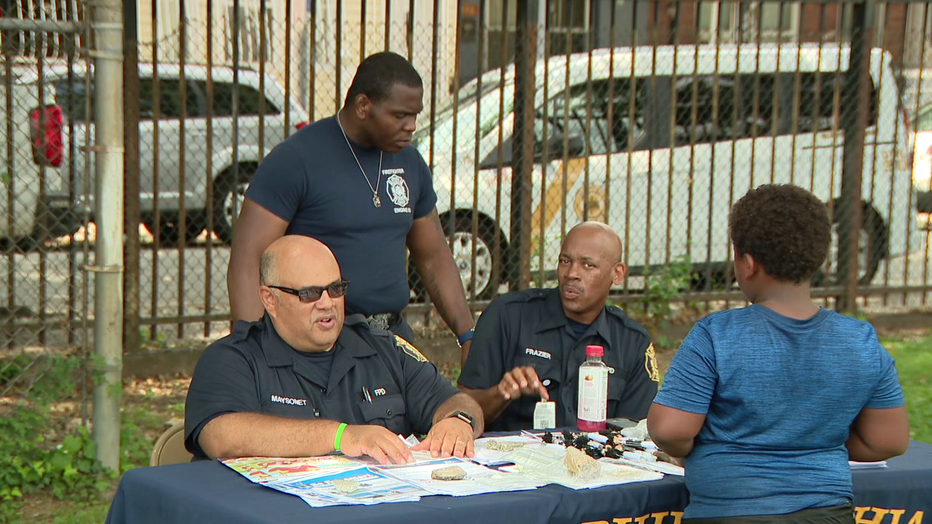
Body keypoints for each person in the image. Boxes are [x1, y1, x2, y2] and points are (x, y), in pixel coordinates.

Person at [647, 185, 910, 522]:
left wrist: (695, 448)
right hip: (828, 512)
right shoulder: (860, 341)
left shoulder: (716, 335)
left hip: (729, 511)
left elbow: (670, 430)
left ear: (749, 264)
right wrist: (816, 443)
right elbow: (889, 440)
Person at [227, 51, 475, 352]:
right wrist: (253, 351)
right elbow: (247, 258)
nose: (411, 125)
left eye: (415, 115)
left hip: (393, 339)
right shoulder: (297, 159)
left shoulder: (410, 163)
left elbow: (434, 255)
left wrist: (467, 334)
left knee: (446, 401)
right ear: (363, 106)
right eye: (399, 115)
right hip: (320, 343)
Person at [186, 235, 484, 464]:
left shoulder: (383, 348)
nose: (327, 303)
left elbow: (461, 403)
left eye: (336, 289)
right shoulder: (232, 359)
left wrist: (459, 422)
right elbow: (222, 436)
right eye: (310, 293)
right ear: (270, 299)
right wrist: (341, 436)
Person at [457, 221, 659, 432]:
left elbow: (637, 433)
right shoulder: (508, 317)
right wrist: (502, 393)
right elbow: (461, 410)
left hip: (596, 462)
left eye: (588, 265)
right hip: (514, 461)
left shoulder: (632, 343)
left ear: (617, 274)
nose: (572, 273)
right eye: (565, 261)